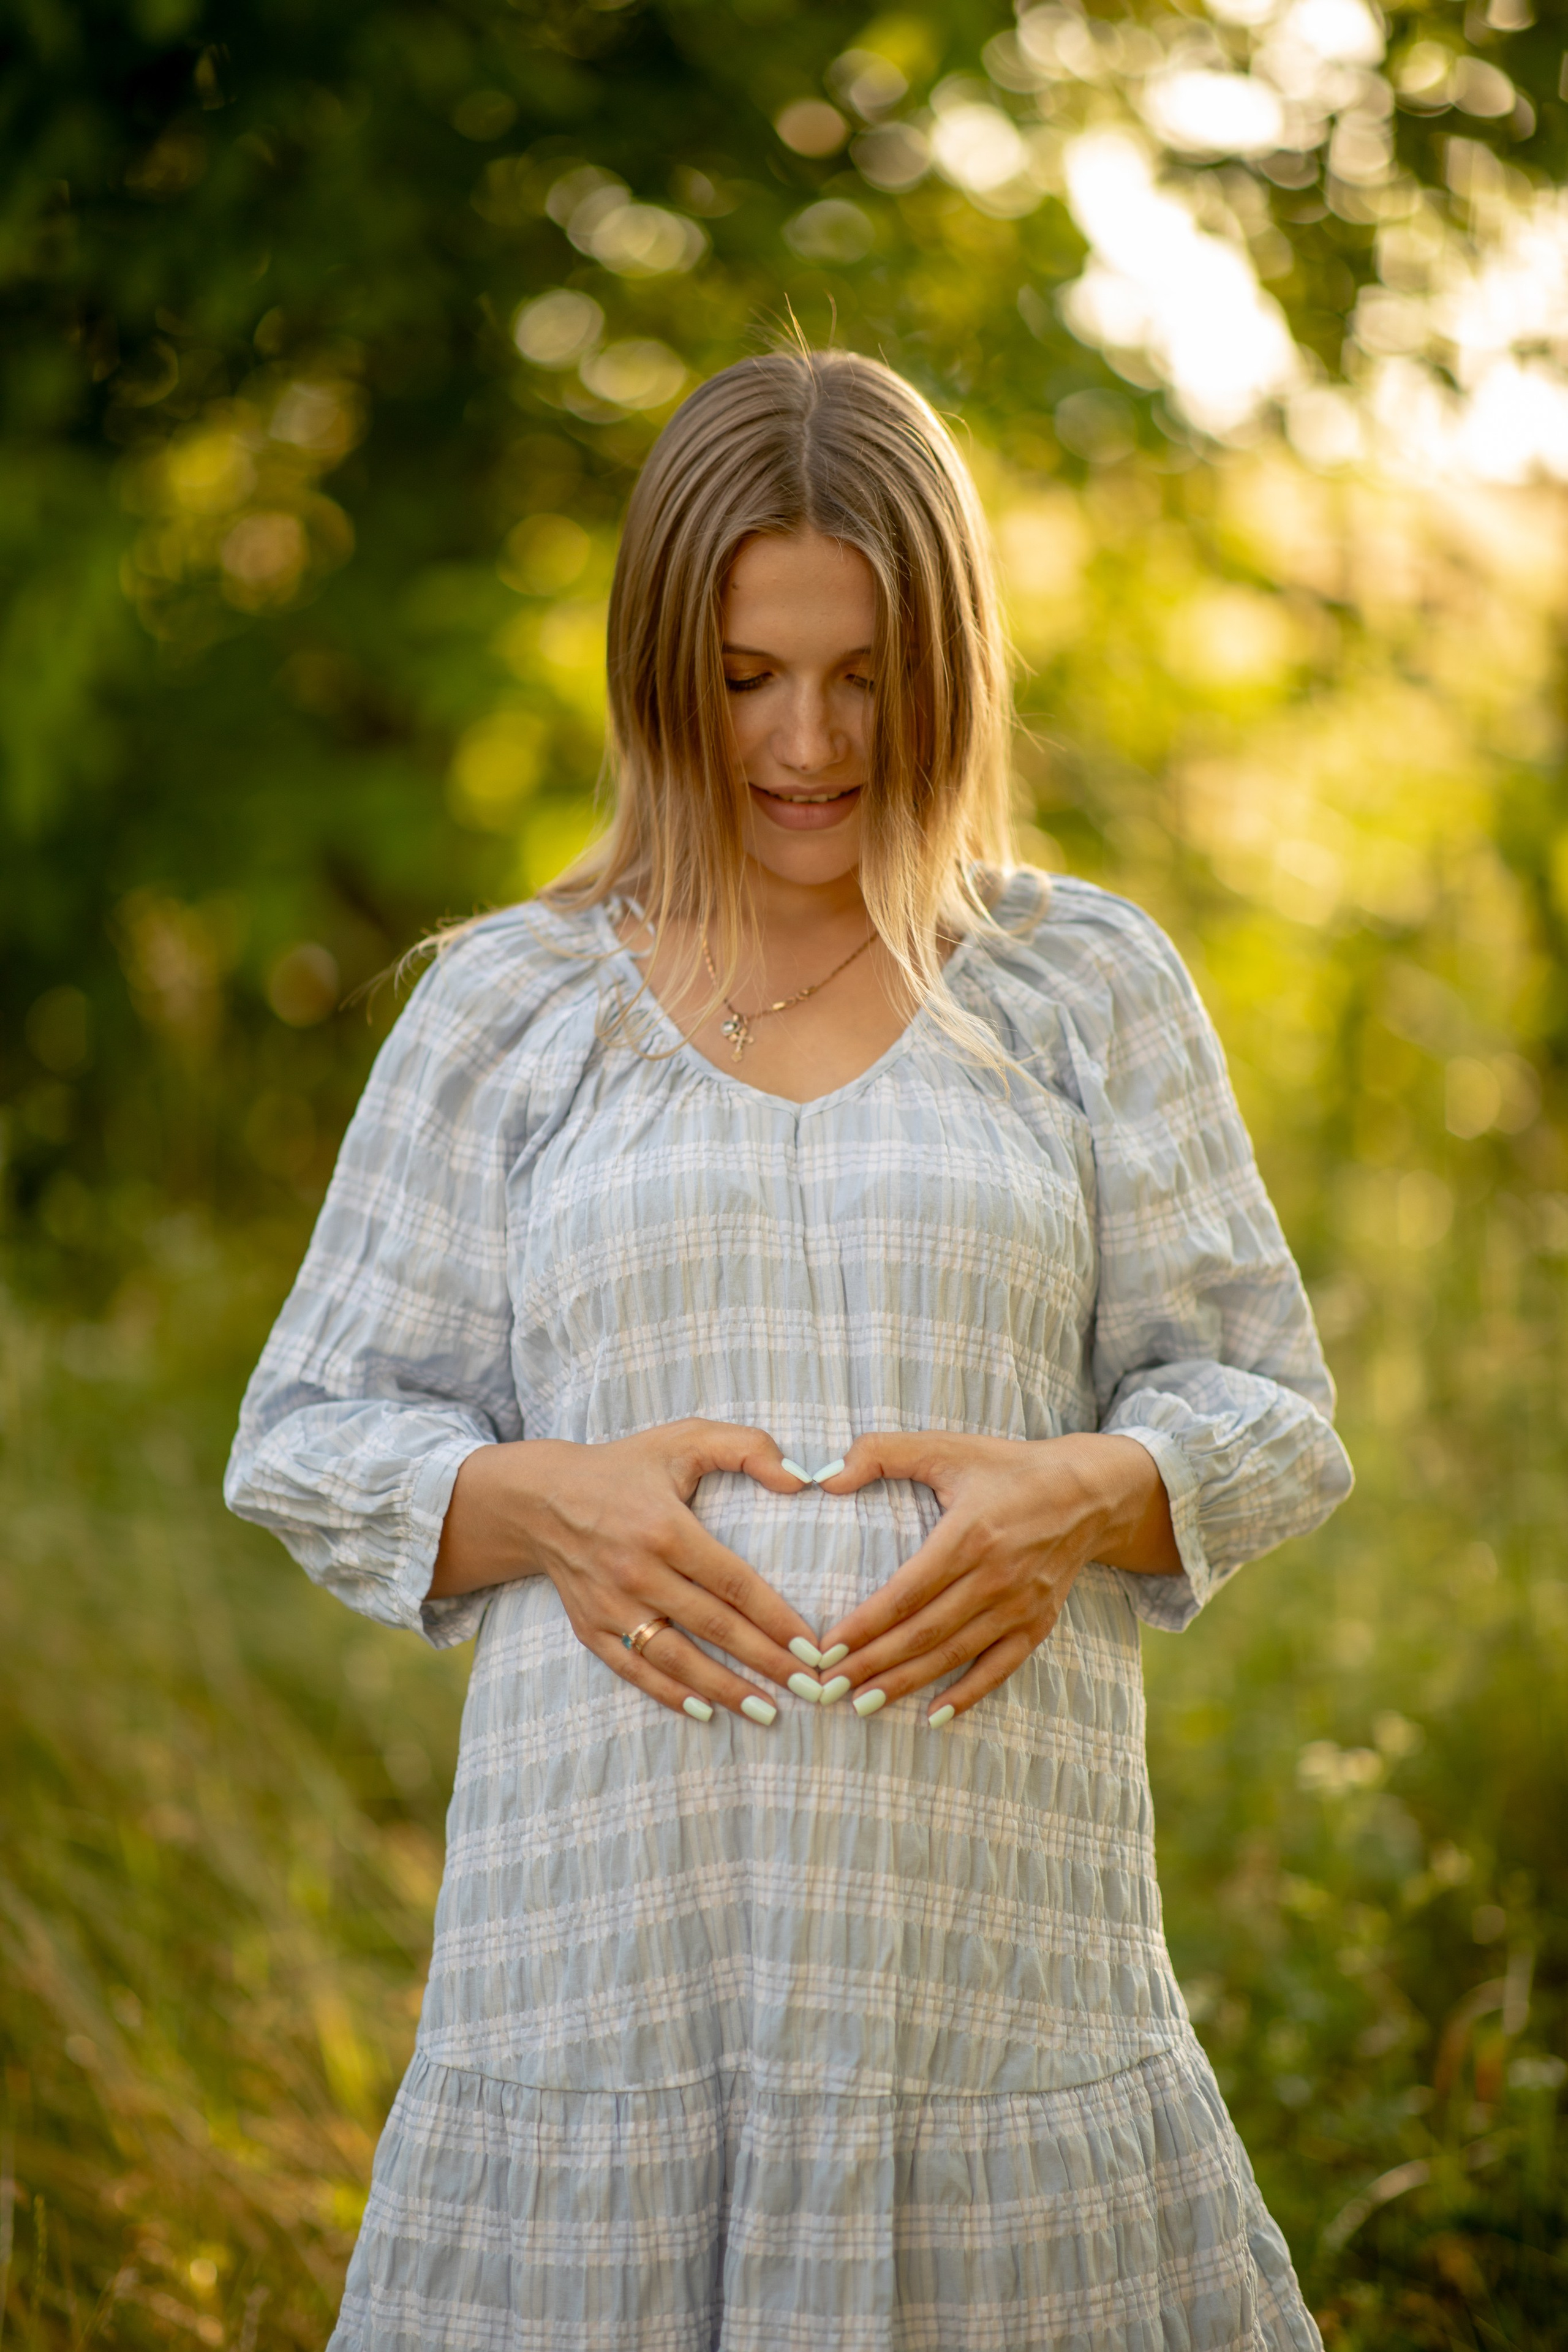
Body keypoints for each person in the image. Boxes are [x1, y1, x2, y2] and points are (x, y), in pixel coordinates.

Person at [225, 347, 1352, 2351]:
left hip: (992, 1987)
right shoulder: (509, 1008)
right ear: (664, 671)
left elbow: (1264, 1398)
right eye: (750, 675)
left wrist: (1088, 1498)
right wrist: (539, 1504)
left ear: (952, 665)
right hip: (604, 1991)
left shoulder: (1084, 985)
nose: (809, 739)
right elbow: (309, 1434)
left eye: (863, 674)